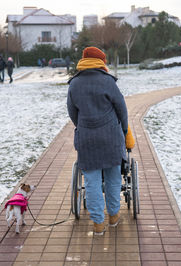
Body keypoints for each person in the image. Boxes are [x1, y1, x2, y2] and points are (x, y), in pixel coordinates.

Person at [67, 47, 128, 235]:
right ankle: (113, 216)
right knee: (113, 177)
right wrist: (123, 131)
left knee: (92, 181)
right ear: (100, 62)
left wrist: (84, 125)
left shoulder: (74, 84)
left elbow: (72, 112)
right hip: (111, 137)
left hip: (87, 138)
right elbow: (121, 109)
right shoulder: (108, 82)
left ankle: (98, 224)